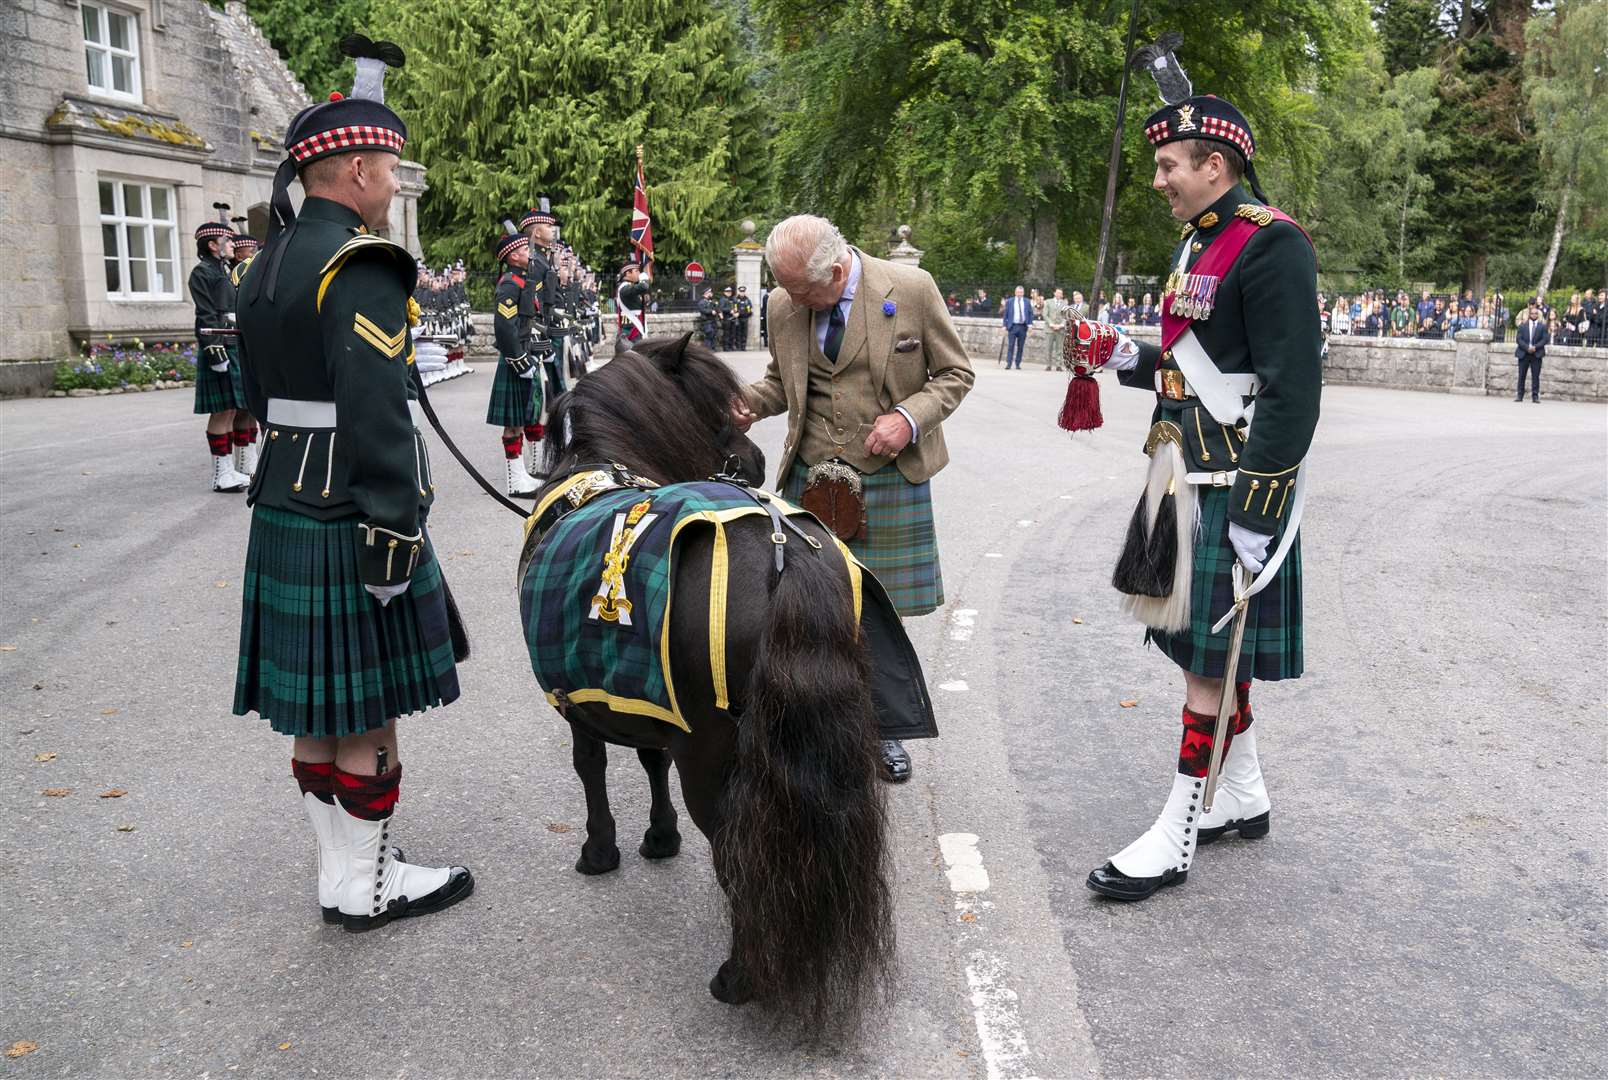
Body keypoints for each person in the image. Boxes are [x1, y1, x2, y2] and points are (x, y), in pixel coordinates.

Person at [232, 43, 473, 933]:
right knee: (365, 709)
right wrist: (392, 532)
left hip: (285, 500)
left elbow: (255, 396)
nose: (393, 183)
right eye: (391, 167)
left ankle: (340, 874)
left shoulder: (269, 261)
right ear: (361, 168)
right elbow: (375, 416)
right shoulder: (361, 264)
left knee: (316, 710)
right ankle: (371, 888)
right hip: (349, 512)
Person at [1076, 93, 1320, 902]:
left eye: (1168, 165)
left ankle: (1176, 836)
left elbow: (1291, 393)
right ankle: (1243, 793)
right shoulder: (1198, 242)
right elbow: (1192, 366)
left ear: (1215, 167)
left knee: (1207, 665)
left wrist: (1261, 512)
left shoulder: (1273, 245)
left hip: (1230, 485)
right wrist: (1123, 355)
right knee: (1203, 647)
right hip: (1180, 470)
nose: (1158, 181)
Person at [732, 214, 975, 783]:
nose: (793, 301)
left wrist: (908, 420)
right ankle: (812, 724)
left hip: (888, 477)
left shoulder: (911, 289)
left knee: (875, 615)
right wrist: (744, 401)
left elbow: (955, 373)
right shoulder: (782, 302)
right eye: (786, 290)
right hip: (810, 478)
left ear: (837, 269)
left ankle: (881, 729)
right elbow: (780, 381)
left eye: (803, 291)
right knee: (803, 608)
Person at [189, 216, 255, 492]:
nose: (232, 245)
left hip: (234, 344)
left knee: (241, 408)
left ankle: (243, 469)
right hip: (219, 345)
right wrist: (215, 351)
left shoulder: (224, 272)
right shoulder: (202, 272)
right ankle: (221, 475)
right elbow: (206, 313)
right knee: (222, 411)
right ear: (214, 245)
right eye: (228, 241)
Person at [488, 230, 546, 496]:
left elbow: (525, 323)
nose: (529, 254)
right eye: (525, 250)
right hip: (516, 358)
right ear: (513, 256)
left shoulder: (523, 281)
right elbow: (504, 326)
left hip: (524, 352)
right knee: (513, 423)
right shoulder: (510, 283)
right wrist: (518, 360)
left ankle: (522, 475)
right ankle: (515, 482)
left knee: (523, 417)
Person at [1514, 300, 1547, 401]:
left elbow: (1545, 339)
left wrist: (1535, 347)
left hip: (1536, 354)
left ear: (1538, 314)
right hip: (1524, 353)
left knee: (1535, 376)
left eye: (1535, 313)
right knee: (1521, 375)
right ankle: (1520, 395)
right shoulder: (1523, 326)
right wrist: (1527, 347)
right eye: (1531, 313)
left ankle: (1535, 396)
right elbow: (1518, 339)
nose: (1533, 315)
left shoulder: (1542, 326)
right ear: (1529, 314)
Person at [614, 260, 650, 352]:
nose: (639, 273)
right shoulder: (624, 288)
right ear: (628, 273)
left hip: (635, 328)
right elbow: (644, 287)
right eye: (636, 271)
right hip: (631, 331)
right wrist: (643, 280)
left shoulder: (631, 287)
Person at [1002, 284, 1033, 369]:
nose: (1019, 293)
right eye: (1018, 292)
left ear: (1023, 293)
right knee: (1010, 345)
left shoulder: (1027, 301)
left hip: (1023, 326)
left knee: (1020, 346)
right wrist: (1004, 325)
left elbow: (1030, 313)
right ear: (1015, 292)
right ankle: (1009, 363)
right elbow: (1006, 314)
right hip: (1012, 326)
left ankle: (1017, 363)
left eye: (1021, 292)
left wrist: (1030, 324)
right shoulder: (1010, 301)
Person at [1043, 286, 1070, 369]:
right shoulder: (1048, 302)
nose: (1059, 294)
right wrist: (1051, 324)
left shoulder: (1065, 304)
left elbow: (1066, 316)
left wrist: (1061, 324)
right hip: (1049, 328)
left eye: (1060, 293)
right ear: (1054, 293)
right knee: (1048, 348)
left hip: (1060, 329)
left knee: (1059, 348)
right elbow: (1045, 314)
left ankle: (1058, 365)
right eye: (1057, 293)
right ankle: (1048, 365)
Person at [717, 285, 739, 350]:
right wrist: (730, 311)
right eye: (727, 291)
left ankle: (731, 346)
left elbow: (736, 307)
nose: (729, 293)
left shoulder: (733, 299)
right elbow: (721, 309)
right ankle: (726, 347)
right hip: (726, 318)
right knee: (727, 334)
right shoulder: (722, 299)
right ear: (724, 292)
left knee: (732, 334)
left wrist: (737, 312)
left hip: (733, 318)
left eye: (730, 291)